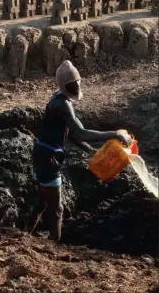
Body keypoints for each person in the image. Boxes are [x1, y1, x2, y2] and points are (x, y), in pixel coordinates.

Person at [26, 60, 132, 242]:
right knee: (57, 208)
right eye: (73, 85)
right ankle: (54, 244)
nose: (76, 87)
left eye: (77, 84)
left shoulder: (59, 99)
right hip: (49, 157)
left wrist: (88, 149)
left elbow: (69, 133)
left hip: (43, 153)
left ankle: (25, 235)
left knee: (43, 200)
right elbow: (81, 132)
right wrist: (114, 134)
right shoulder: (63, 104)